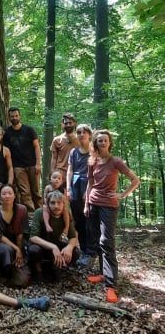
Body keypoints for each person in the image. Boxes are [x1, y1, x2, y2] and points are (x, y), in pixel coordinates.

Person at [84, 129, 140, 303]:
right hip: (93, 204)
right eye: (99, 140)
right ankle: (102, 273)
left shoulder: (116, 161)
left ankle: (111, 285)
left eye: (105, 140)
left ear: (109, 143)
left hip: (109, 206)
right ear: (95, 143)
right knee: (96, 241)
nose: (102, 143)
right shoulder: (92, 161)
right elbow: (90, 183)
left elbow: (135, 180)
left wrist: (122, 195)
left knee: (106, 242)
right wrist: (86, 203)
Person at [28, 190, 79, 282]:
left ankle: (58, 267)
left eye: (59, 203)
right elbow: (33, 237)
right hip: (43, 247)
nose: (56, 206)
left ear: (63, 204)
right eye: (52, 203)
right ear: (47, 204)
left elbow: (73, 237)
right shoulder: (39, 213)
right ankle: (38, 270)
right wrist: (53, 247)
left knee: (75, 252)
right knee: (33, 250)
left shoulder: (66, 215)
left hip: (59, 247)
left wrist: (70, 247)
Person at [0, 185, 29, 285]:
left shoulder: (22, 210)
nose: (7, 196)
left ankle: (17, 272)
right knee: (6, 249)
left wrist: (19, 250)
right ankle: (5, 273)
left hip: (18, 244)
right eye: (4, 194)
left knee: (23, 278)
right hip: (0, 245)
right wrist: (16, 249)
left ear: (15, 196)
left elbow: (21, 233)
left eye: (10, 193)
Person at [3, 107, 42, 212]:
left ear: (20, 116)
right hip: (18, 167)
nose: (14, 118)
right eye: (12, 116)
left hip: (32, 165)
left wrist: (38, 164)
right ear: (9, 118)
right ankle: (31, 216)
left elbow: (36, 146)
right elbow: (7, 152)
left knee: (36, 192)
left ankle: (40, 214)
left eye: (16, 115)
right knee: (25, 193)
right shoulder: (7, 133)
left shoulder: (29, 130)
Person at [66, 124, 92, 266]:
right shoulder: (74, 152)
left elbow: (95, 173)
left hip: (89, 185)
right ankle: (84, 250)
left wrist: (88, 191)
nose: (81, 134)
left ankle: (92, 251)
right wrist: (69, 188)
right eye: (79, 132)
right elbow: (70, 171)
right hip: (75, 186)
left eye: (84, 132)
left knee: (89, 219)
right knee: (79, 219)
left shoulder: (94, 152)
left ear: (89, 134)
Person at [42, 171, 70, 243]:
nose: (56, 179)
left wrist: (64, 207)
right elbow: (45, 197)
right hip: (49, 205)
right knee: (44, 208)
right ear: (50, 179)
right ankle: (47, 225)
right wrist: (47, 205)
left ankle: (66, 228)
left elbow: (65, 200)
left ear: (62, 181)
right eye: (54, 178)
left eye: (59, 178)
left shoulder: (63, 189)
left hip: (60, 207)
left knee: (66, 210)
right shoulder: (48, 187)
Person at [50, 113, 79, 181]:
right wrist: (52, 172)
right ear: (63, 124)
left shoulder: (80, 139)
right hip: (60, 173)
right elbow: (54, 158)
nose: (68, 125)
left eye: (70, 123)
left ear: (74, 123)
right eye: (66, 123)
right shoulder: (57, 140)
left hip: (75, 172)